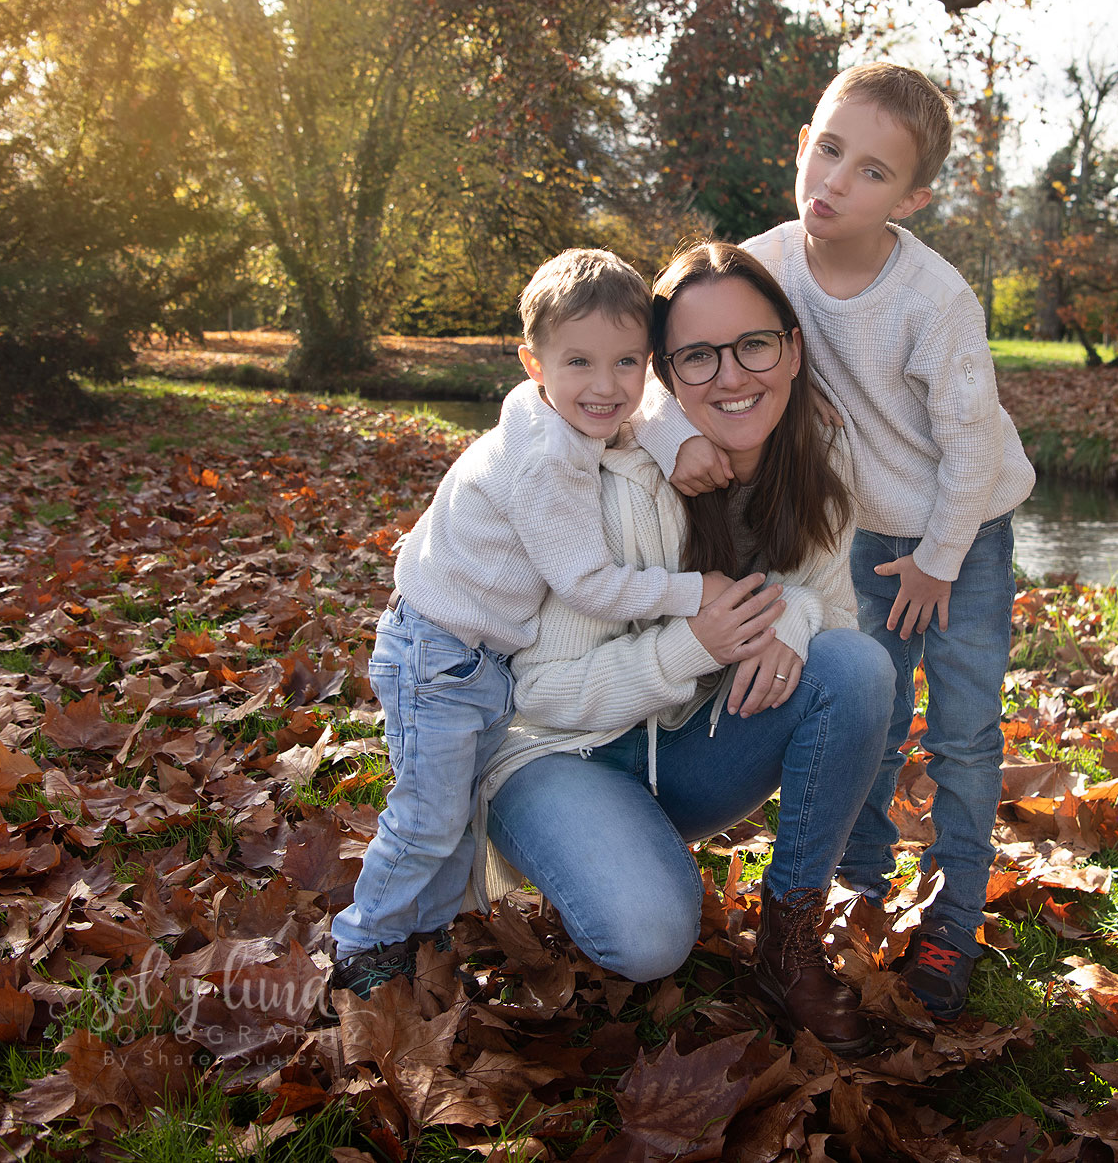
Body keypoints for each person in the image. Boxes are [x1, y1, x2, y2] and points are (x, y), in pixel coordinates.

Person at [635, 64, 1035, 1021]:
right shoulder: (764, 259)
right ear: (800, 144)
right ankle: (860, 886)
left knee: (966, 734)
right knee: (872, 705)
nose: (836, 181)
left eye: (871, 172)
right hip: (859, 527)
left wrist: (941, 558)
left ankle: (952, 916)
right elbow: (664, 351)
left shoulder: (932, 297)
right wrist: (674, 435)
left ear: (912, 197)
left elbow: (974, 439)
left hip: (959, 531)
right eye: (828, 149)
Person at [474, 243, 896, 1056]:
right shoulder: (601, 470)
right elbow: (540, 695)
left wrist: (795, 612)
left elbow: (833, 624)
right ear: (663, 373)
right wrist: (693, 643)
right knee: (647, 937)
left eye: (754, 344)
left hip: (683, 750)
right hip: (553, 753)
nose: (732, 376)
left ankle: (788, 942)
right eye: (698, 356)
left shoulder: (817, 455)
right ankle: (595, 849)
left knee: (857, 668)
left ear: (792, 348)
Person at [330, 249, 728, 998]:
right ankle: (363, 944)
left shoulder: (552, 409)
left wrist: (675, 438)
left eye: (627, 362)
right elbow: (588, 583)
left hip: (473, 654)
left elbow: (640, 412)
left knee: (456, 812)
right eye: (580, 361)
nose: (606, 386)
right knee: (428, 817)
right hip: (439, 654)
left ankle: (429, 936)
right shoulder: (549, 459)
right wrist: (690, 591)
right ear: (533, 360)